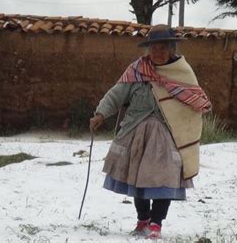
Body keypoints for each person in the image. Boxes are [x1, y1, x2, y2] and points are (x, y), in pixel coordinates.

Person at [89, 24, 211, 240]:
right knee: (138, 179)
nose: (157, 52)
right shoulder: (137, 70)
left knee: (164, 179)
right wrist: (100, 114)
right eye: (154, 48)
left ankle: (156, 223)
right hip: (136, 133)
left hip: (169, 136)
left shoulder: (182, 73)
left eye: (163, 48)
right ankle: (143, 219)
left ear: (172, 48)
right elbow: (116, 94)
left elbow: (194, 100)